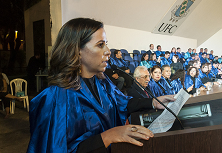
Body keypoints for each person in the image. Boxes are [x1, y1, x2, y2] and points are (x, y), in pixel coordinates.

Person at [26, 18, 175, 153]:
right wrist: (107, 137)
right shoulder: (55, 98)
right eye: (100, 45)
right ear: (77, 50)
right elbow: (57, 149)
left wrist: (153, 101)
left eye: (106, 44)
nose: (108, 52)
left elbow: (122, 103)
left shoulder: (102, 82)